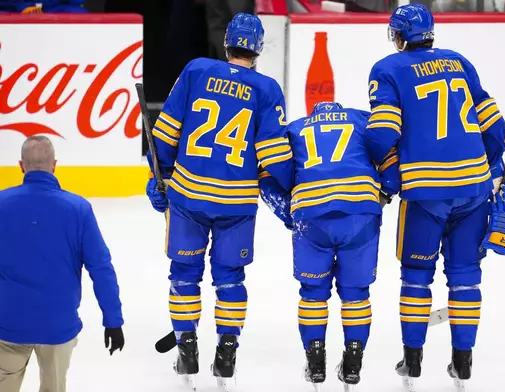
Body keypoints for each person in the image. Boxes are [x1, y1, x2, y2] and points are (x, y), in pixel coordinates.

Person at [364, 4, 505, 390]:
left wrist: (386, 173)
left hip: (426, 194)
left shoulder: (387, 69)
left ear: (399, 36)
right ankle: (462, 362)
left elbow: (382, 133)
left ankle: (413, 361)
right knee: (466, 276)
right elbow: (495, 127)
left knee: (416, 276)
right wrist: (494, 169)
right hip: (473, 189)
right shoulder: (459, 62)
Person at [144, 12, 293, 388]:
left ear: (226, 42)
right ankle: (227, 352)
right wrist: (292, 190)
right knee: (230, 280)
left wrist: (156, 178)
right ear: (257, 49)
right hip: (236, 205)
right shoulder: (267, 89)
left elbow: (165, 132)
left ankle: (187, 347)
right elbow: (275, 158)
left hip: (188, 196)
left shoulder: (196, 70)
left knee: (184, 273)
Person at [259, 101, 399, 390]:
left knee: (312, 293)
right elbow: (391, 158)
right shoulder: (362, 120)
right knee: (356, 294)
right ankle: (353, 360)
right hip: (360, 213)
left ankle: (315, 359)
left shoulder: (295, 129)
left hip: (312, 215)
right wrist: (384, 193)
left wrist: (291, 212)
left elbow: (267, 176)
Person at [0, 136, 124, 392]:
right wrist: (113, 319)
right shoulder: (78, 209)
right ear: (54, 165)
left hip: (7, 322)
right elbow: (101, 268)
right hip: (57, 325)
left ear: (21, 165)